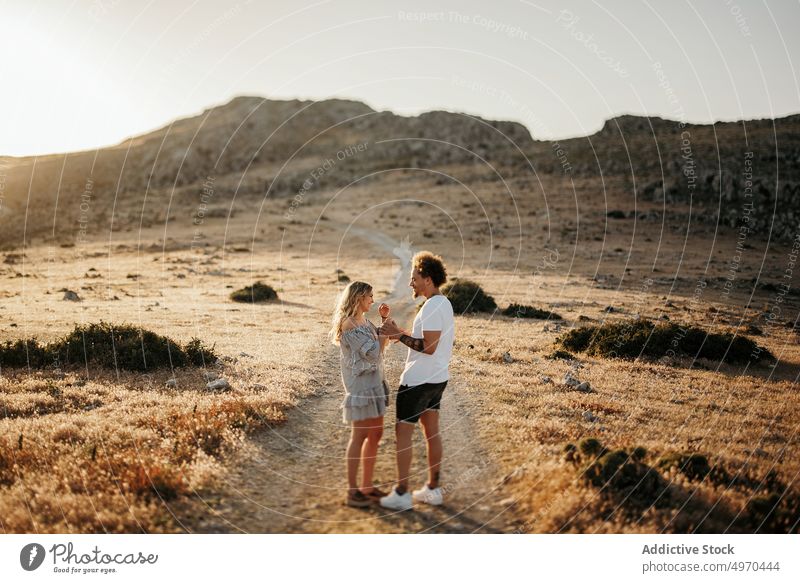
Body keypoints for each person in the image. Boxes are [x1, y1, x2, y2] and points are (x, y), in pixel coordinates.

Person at [378, 251, 455, 511]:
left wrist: (399, 336)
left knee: (403, 434)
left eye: (414, 278)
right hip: (436, 379)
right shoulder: (442, 303)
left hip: (418, 381)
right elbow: (426, 339)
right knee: (431, 432)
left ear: (428, 279)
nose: (411, 283)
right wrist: (400, 332)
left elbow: (428, 346)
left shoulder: (432, 306)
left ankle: (401, 493)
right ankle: (433, 490)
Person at [329, 281, 391, 507]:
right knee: (360, 436)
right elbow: (374, 354)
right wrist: (384, 333)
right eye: (369, 297)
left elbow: (382, 341)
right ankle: (352, 492)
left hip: (375, 382)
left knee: (375, 434)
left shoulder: (365, 320)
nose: (372, 301)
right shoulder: (348, 324)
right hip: (360, 386)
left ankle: (367, 487)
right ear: (358, 298)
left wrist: (385, 323)